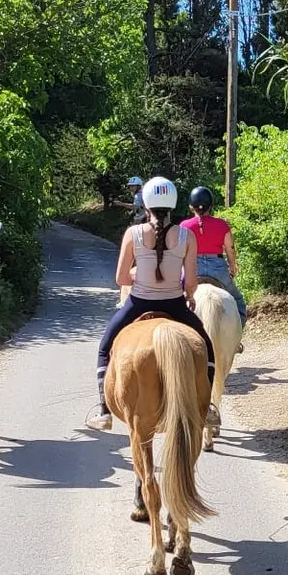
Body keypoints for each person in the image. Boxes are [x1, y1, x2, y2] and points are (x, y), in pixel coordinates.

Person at [88, 177, 217, 430]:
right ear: (173, 204)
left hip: (137, 304)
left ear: (145, 204)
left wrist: (138, 273)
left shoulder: (133, 233)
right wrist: (189, 294)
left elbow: (121, 279)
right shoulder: (187, 236)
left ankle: (104, 410)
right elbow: (191, 283)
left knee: (105, 347)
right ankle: (207, 406)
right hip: (175, 305)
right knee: (207, 347)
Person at [180, 186, 248, 326]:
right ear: (211, 206)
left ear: (191, 207)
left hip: (192, 269)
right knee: (238, 301)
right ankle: (238, 331)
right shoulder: (222, 225)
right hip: (218, 269)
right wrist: (232, 266)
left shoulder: (184, 226)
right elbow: (230, 249)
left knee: (174, 300)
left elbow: (179, 251)